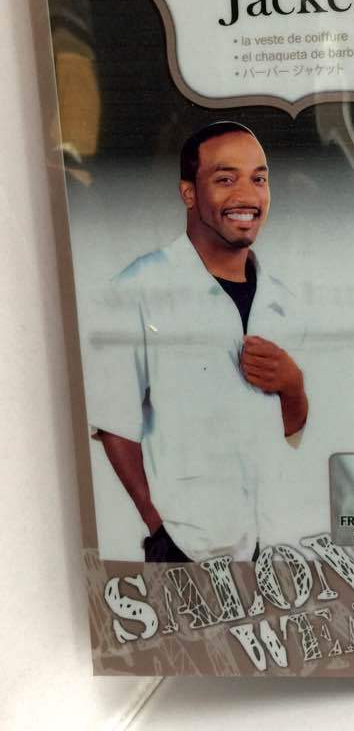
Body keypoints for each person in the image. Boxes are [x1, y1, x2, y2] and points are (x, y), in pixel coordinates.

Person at [89, 122, 308, 562]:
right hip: (187, 544)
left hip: (276, 543)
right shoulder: (136, 289)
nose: (247, 195)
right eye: (225, 179)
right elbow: (115, 424)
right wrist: (158, 525)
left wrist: (293, 386)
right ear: (188, 193)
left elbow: (295, 435)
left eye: (258, 179)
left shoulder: (284, 301)